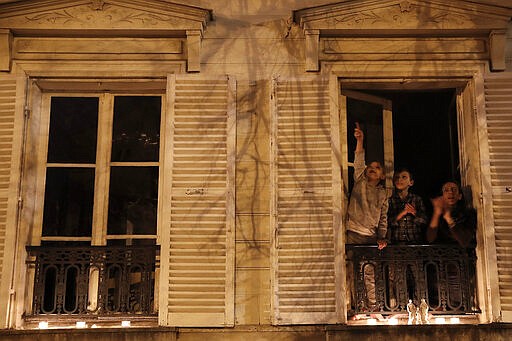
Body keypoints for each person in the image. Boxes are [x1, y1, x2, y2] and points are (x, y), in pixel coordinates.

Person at [346, 122, 389, 312]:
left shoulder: (383, 193)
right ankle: (354, 307)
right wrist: (360, 140)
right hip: (353, 232)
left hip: (370, 236)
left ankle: (372, 308)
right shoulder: (360, 181)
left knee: (369, 272)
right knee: (351, 271)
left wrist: (382, 237)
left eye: (377, 167)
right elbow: (358, 161)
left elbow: (383, 218)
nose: (372, 168)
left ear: (382, 175)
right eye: (370, 166)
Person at [427, 181, 476, 247]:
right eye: (446, 190)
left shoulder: (468, 214)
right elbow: (430, 239)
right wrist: (436, 214)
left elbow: (464, 241)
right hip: (441, 254)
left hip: (462, 254)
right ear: (442, 196)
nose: (450, 192)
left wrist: (448, 219)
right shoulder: (438, 215)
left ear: (459, 196)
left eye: (454, 189)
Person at [387, 168, 428, 244]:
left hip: (415, 243)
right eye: (397, 177)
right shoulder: (390, 200)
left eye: (404, 177)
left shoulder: (417, 199)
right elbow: (387, 223)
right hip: (396, 243)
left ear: (411, 182)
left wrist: (414, 212)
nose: (399, 179)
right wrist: (402, 213)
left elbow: (424, 221)